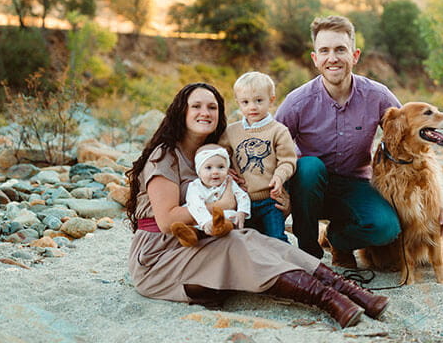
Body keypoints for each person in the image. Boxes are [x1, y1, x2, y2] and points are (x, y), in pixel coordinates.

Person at [125, 82, 390, 328]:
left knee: (258, 240)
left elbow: (253, 191)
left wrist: (282, 203)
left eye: (212, 107)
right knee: (238, 243)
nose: (205, 112)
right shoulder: (165, 154)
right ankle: (327, 299)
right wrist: (221, 202)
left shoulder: (216, 157)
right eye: (196, 106)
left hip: (202, 240)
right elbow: (167, 220)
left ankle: (348, 289)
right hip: (160, 255)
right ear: (180, 111)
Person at [276, 15, 443, 268]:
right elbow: (269, 146)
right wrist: (278, 192)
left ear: (354, 56)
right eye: (324, 50)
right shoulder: (297, 102)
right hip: (308, 189)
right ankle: (309, 253)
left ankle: (339, 240)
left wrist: (440, 200)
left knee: (386, 228)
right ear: (315, 59)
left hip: (355, 185)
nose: (332, 58)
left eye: (340, 50)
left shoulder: (377, 96)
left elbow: (412, 139)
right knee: (309, 167)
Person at [219, 71, 296, 242]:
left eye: (259, 101)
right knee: (246, 241)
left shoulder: (278, 131)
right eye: (245, 102)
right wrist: (227, 170)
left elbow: (288, 161)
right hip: (242, 201)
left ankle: (287, 266)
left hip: (270, 201)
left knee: (276, 238)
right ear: (238, 103)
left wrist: (279, 176)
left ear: (271, 100)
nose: (252, 107)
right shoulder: (232, 131)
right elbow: (220, 153)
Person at [169, 144, 250, 247]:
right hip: (200, 219)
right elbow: (195, 204)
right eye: (208, 168)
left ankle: (221, 227)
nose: (215, 172)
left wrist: (242, 211)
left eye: (221, 167)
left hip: (224, 217)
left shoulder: (228, 182)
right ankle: (189, 235)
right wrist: (206, 221)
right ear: (199, 171)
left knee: (228, 221)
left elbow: (242, 196)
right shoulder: (195, 186)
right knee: (192, 225)